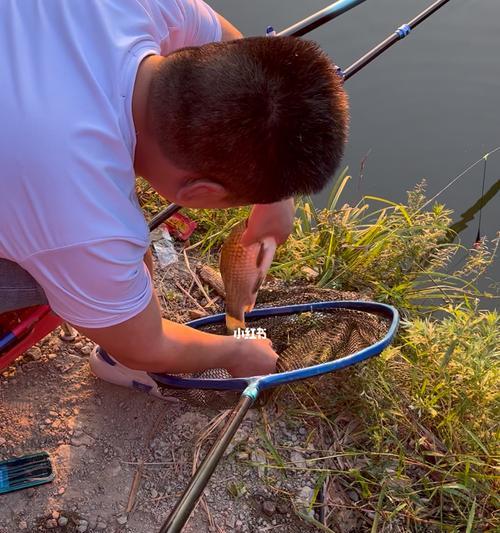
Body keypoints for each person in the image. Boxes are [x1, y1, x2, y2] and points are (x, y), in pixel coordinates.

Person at [0, 0, 349, 390]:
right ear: (200, 191)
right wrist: (235, 352)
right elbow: (144, 345)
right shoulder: (84, 218)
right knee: (93, 278)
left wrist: (275, 198)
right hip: (38, 174)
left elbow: (231, 45)